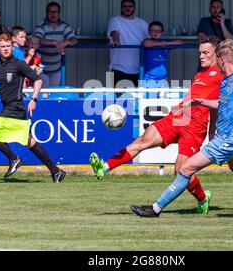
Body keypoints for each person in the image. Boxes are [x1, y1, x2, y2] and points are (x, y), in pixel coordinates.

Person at [130, 39, 233, 218]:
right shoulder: (226, 82)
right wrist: (201, 101)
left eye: (218, 62)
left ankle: (155, 208)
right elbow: (223, 103)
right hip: (231, 138)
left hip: (227, 140)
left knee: (185, 169)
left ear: (222, 61)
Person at [90, 36, 224, 214]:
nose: (201, 56)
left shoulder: (223, 75)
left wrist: (212, 132)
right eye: (200, 52)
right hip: (178, 116)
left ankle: (202, 198)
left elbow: (218, 105)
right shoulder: (199, 74)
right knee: (142, 140)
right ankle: (104, 167)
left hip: (195, 126)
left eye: (205, 52)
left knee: (181, 171)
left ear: (217, 53)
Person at [0, 34, 66, 183]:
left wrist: (33, 100)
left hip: (16, 107)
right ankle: (56, 171)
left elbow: (38, 80)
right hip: (9, 108)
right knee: (30, 142)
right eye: (2, 46)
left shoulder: (19, 64)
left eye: (8, 46)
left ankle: (14, 159)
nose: (5, 49)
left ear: (12, 47)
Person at [107, 0, 149, 87]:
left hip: (139, 68)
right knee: (119, 100)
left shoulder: (142, 23)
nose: (127, 8)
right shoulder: (115, 20)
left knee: (138, 99)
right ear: (121, 8)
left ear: (134, 8)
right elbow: (114, 32)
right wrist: (116, 41)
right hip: (119, 67)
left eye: (130, 6)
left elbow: (149, 40)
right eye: (124, 6)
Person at [34, 2, 78, 87]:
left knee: (54, 93)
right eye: (50, 11)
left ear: (59, 13)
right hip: (41, 68)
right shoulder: (41, 26)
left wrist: (66, 42)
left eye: (55, 12)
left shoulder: (64, 25)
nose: (53, 14)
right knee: (44, 95)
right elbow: (37, 39)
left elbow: (74, 40)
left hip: (56, 68)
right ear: (46, 13)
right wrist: (54, 42)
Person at [142, 20, 184, 88]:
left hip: (163, 80)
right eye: (153, 30)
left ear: (162, 33)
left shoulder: (165, 44)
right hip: (148, 80)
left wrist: (166, 43)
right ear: (149, 33)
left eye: (158, 31)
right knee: (149, 98)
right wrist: (160, 44)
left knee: (162, 98)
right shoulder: (147, 41)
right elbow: (146, 44)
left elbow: (180, 42)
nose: (155, 32)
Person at [196, 0, 233, 71]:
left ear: (222, 9)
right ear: (210, 9)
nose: (215, 10)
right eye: (213, 7)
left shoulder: (227, 22)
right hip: (207, 59)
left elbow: (230, 41)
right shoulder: (204, 21)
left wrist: (222, 23)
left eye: (218, 7)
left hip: (222, 59)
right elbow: (201, 39)